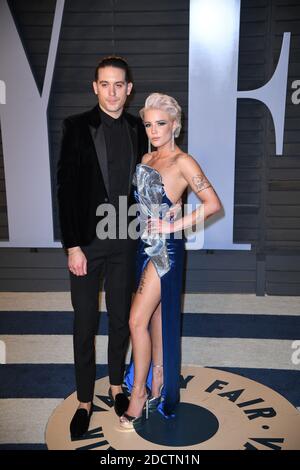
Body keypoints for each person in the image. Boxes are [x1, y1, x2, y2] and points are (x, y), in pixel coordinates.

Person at [57, 56, 147, 439]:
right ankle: (83, 400)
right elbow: (65, 188)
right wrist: (72, 246)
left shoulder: (137, 127)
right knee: (84, 323)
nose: (112, 92)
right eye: (105, 84)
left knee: (121, 318)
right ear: (95, 87)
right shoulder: (76, 127)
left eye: (119, 85)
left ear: (129, 89)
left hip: (126, 237)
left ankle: (114, 386)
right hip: (88, 243)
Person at [120, 93, 222, 429]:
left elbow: (212, 204)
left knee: (136, 320)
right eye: (148, 124)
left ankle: (139, 393)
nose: (153, 130)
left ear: (175, 125)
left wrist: (172, 224)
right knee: (155, 321)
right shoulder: (147, 156)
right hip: (143, 246)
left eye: (160, 123)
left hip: (165, 251)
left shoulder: (184, 162)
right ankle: (160, 383)